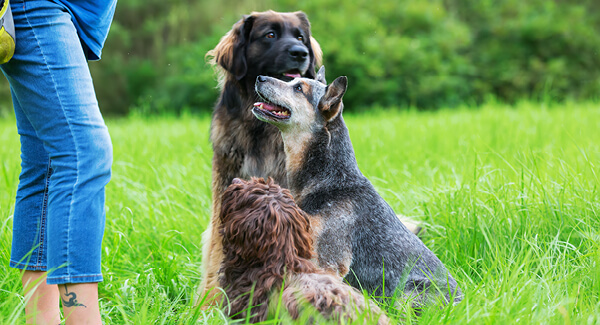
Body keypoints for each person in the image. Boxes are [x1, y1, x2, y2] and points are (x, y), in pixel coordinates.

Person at [0, 0, 117, 323]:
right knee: (86, 155)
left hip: (60, 13)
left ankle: (42, 320)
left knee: (45, 166)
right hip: (39, 6)